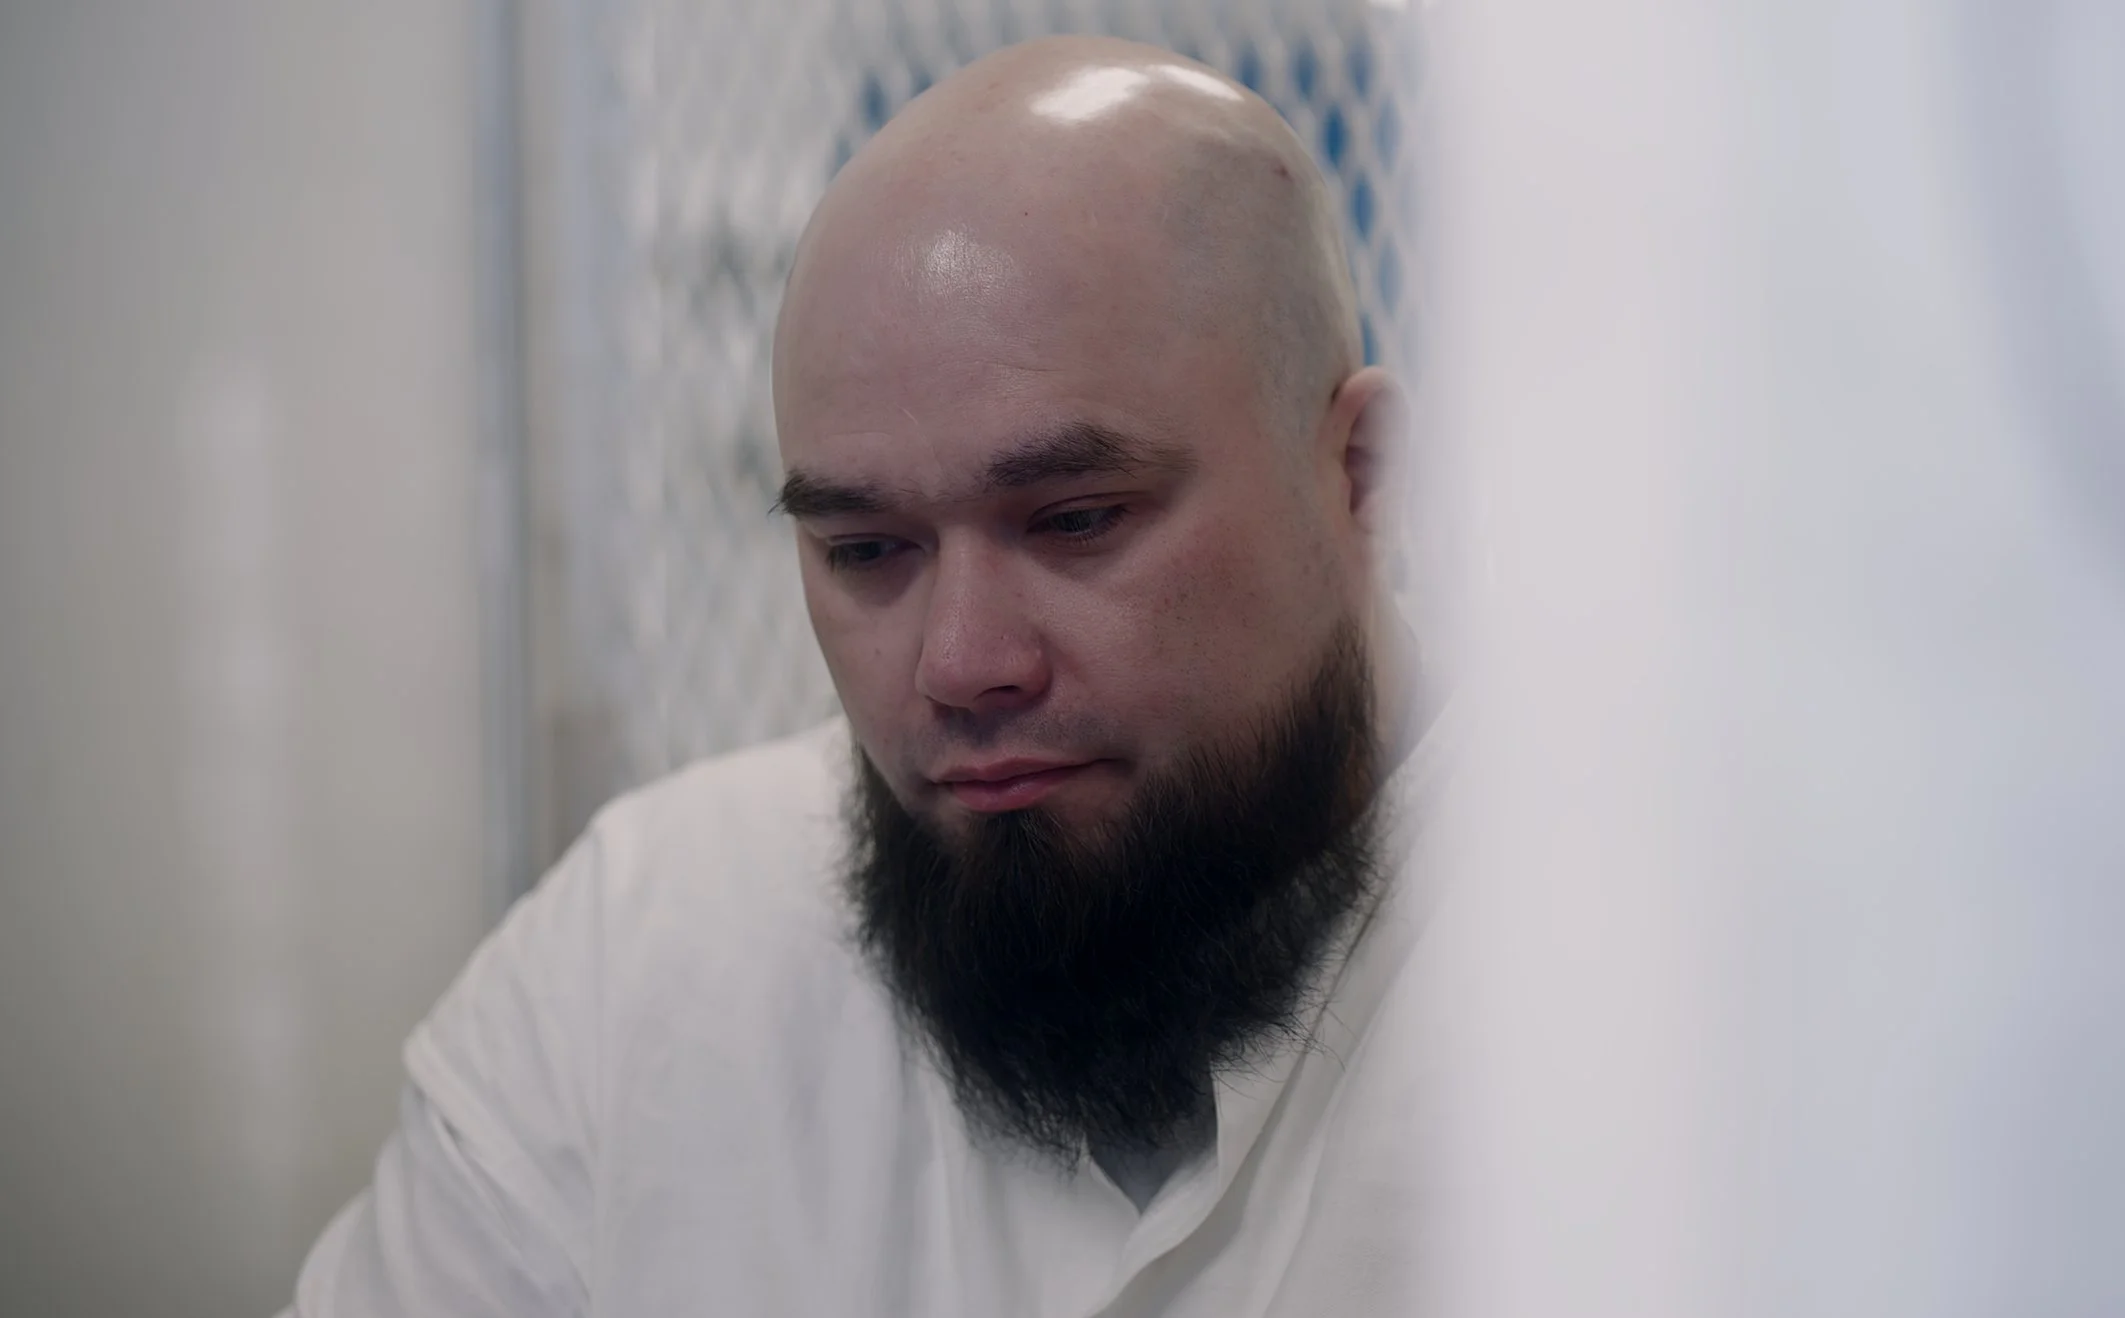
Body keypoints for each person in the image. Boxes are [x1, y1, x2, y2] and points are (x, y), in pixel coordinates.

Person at [285, 34, 1450, 1317]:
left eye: (1075, 520)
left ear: (1360, 476)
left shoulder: (1603, 978)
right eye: (866, 549)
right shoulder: (640, 961)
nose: (960, 664)